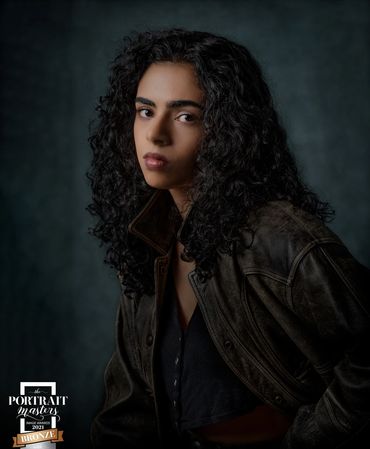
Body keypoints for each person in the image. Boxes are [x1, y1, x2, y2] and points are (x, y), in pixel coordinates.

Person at [86, 28, 370, 449]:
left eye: (185, 116)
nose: (157, 134)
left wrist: (311, 440)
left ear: (227, 128)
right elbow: (130, 406)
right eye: (145, 111)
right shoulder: (152, 239)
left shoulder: (278, 236)